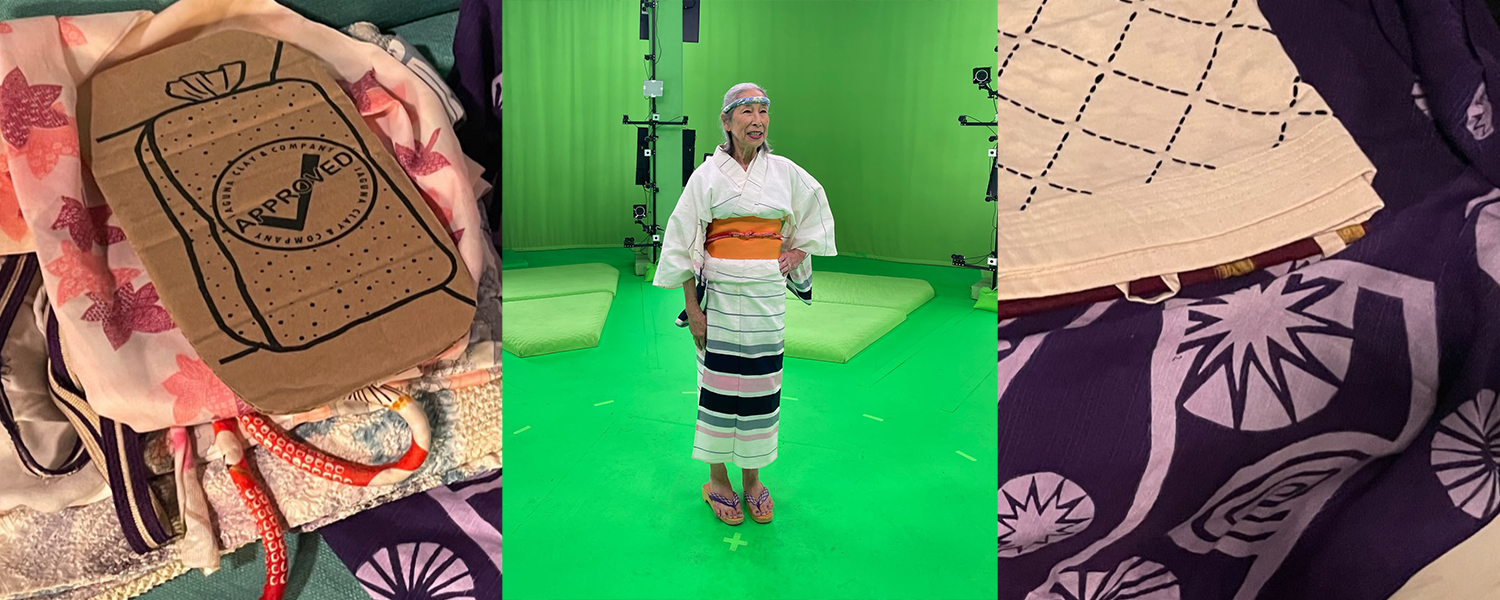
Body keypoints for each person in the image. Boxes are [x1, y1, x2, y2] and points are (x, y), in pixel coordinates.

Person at [653, 83, 837, 526]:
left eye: (763, 111)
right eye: (747, 111)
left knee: (761, 388)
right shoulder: (706, 176)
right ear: (727, 121)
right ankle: (717, 480)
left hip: (765, 298)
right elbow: (684, 241)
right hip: (717, 297)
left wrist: (794, 255)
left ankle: (752, 480)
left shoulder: (785, 172)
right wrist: (693, 310)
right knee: (715, 388)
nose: (757, 120)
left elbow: (813, 213)